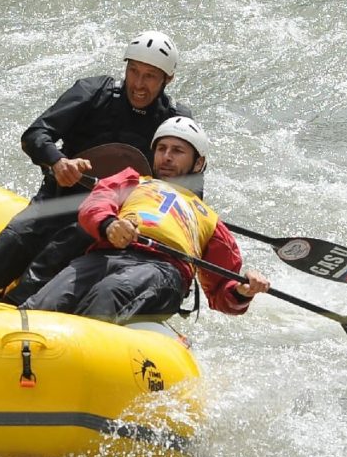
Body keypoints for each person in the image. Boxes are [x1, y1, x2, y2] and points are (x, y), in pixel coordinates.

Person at [0, 31, 196, 306]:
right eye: (134, 72)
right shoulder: (94, 92)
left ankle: (15, 303)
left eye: (150, 76)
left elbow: (188, 191)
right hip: (57, 202)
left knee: (38, 278)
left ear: (167, 80)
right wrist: (57, 161)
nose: (139, 84)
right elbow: (35, 134)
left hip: (109, 222)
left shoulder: (175, 121)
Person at [22, 117, 271, 323]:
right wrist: (109, 224)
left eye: (177, 151)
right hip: (106, 255)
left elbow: (220, 293)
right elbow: (94, 205)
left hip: (163, 269)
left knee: (109, 293)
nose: (167, 157)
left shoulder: (209, 219)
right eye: (161, 149)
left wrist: (242, 290)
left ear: (199, 162)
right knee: (44, 303)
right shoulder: (133, 180)